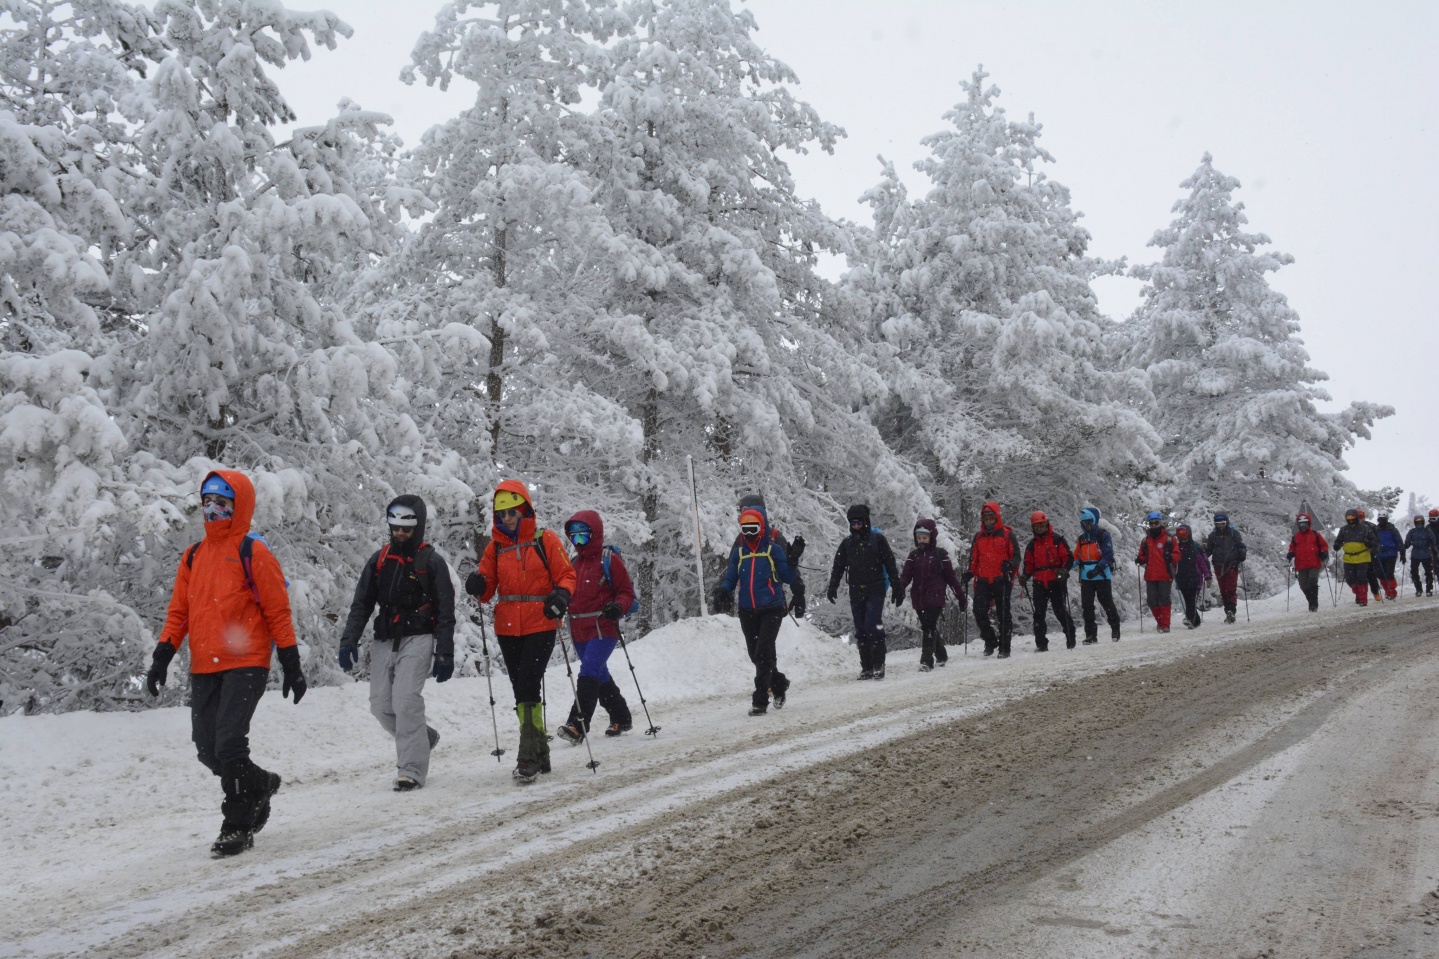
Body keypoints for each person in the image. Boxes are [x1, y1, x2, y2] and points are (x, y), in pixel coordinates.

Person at [145, 470, 305, 858]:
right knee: (207, 749)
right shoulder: (194, 556)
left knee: (230, 744)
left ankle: (236, 824)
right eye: (207, 503)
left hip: (246, 661)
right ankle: (260, 784)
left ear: (240, 507)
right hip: (205, 663)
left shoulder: (254, 551)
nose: (213, 510)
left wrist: (290, 660)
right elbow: (178, 611)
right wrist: (162, 656)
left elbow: (277, 611)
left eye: (223, 503)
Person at [338, 496, 455, 791]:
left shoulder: (432, 562)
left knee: (405, 701)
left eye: (407, 529)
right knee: (380, 705)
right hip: (385, 638)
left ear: (419, 527)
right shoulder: (379, 560)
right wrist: (348, 639)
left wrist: (444, 652)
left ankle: (411, 770)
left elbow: (445, 613)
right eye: (395, 528)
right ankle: (422, 738)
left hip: (419, 636)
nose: (400, 534)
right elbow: (361, 604)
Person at [466, 481, 576, 784]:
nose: (508, 519)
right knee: (521, 689)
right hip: (507, 627)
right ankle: (541, 752)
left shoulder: (546, 540)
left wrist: (562, 596)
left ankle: (527, 757)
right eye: (502, 514)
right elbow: (487, 587)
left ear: (525, 510)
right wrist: (478, 584)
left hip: (541, 621)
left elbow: (567, 574)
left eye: (512, 512)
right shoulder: (496, 547)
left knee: (528, 682)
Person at [714, 507, 804, 714]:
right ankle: (779, 684)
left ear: (761, 528)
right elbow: (730, 578)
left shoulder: (773, 550)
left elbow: (788, 577)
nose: (749, 534)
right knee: (756, 655)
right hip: (747, 610)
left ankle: (760, 700)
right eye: (745, 529)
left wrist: (792, 562)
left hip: (771, 607)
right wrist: (723, 591)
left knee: (763, 652)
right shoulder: (739, 553)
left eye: (753, 528)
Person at [557, 510, 635, 742]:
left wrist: (617, 607)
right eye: (574, 537)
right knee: (599, 675)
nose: (578, 541)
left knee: (589, 672)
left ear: (596, 534)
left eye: (584, 536)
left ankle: (577, 725)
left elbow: (627, 593)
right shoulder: (573, 563)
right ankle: (621, 716)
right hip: (579, 631)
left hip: (603, 629)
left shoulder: (609, 560)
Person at [827, 504, 900, 679]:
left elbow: (890, 563)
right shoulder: (847, 544)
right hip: (855, 590)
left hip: (875, 588)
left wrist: (897, 586)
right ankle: (866, 666)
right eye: (853, 522)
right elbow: (838, 566)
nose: (856, 525)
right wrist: (832, 586)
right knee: (860, 628)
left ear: (866, 521)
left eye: (859, 521)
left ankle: (878, 664)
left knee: (873, 623)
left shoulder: (878, 540)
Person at [896, 518, 967, 670]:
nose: (921, 541)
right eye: (919, 538)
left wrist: (961, 596)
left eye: (925, 537)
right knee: (929, 627)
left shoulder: (940, 554)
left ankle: (926, 661)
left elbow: (951, 578)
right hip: (918, 598)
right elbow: (906, 576)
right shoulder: (913, 555)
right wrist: (899, 588)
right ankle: (941, 654)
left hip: (936, 598)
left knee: (928, 627)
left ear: (931, 537)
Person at [963, 502, 1021, 658]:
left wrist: (1009, 565)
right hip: (982, 579)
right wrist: (970, 572)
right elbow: (974, 559)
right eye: (985, 518)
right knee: (979, 611)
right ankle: (990, 641)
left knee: (1003, 614)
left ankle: (1004, 647)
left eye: (991, 517)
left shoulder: (1007, 535)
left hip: (1001, 579)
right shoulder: (978, 537)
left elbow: (1016, 556)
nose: (988, 520)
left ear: (996, 518)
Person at [1021, 511, 1076, 651]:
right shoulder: (1031, 545)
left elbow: (1068, 558)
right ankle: (1041, 644)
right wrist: (1025, 576)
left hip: (1056, 581)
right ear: (1033, 528)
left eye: (1041, 525)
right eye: (1036, 526)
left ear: (1047, 524)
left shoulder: (1057, 540)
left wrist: (1064, 571)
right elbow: (1028, 564)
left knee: (1060, 611)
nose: (1039, 528)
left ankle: (1071, 637)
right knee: (1038, 613)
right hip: (1039, 582)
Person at [1074, 507, 1121, 643]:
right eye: (1084, 523)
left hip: (1102, 576)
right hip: (1086, 577)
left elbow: (1108, 554)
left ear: (1094, 521)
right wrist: (1065, 567)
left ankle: (1115, 628)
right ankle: (1091, 635)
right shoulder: (1081, 539)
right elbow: (1076, 557)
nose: (1086, 525)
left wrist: (1098, 569)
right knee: (1087, 605)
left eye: (1089, 522)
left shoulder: (1102, 535)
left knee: (1106, 603)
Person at [1136, 511, 1177, 633]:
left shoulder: (1170, 539)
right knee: (1152, 601)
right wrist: (1139, 559)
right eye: (1151, 523)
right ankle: (1160, 622)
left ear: (1160, 523)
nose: (1154, 525)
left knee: (1164, 599)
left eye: (1156, 523)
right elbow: (1143, 556)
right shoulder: (1145, 540)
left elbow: (1177, 554)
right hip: (1150, 575)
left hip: (1165, 574)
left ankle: (1165, 625)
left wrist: (1172, 557)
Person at [1202, 512, 1247, 623]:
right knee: (1223, 590)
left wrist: (1242, 553)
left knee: (1231, 588)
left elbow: (1241, 546)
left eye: (1222, 523)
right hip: (1218, 565)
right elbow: (1209, 549)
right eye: (1218, 524)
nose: (1220, 526)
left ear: (1226, 522)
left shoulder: (1233, 533)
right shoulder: (1213, 536)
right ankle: (1228, 611)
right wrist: (1202, 556)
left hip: (1231, 564)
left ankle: (1231, 610)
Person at [1332, 508, 1379, 606]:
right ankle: (1358, 593)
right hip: (1349, 558)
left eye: (1352, 517)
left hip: (1363, 556)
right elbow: (1339, 540)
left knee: (1361, 578)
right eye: (1348, 517)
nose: (1350, 519)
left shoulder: (1365, 528)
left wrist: (1369, 543)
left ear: (1356, 517)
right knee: (1350, 579)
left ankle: (1363, 599)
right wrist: (1337, 545)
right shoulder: (1344, 530)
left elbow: (1374, 541)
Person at [1287, 513, 1330, 612]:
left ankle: (1313, 604)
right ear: (1298, 525)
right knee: (1303, 585)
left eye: (1305, 524)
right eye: (1301, 524)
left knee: (1312, 582)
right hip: (1301, 565)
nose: (1303, 526)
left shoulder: (1315, 535)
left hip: (1314, 563)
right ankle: (1311, 600)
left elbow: (1324, 545)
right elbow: (1292, 548)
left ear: (1309, 524)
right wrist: (1290, 553)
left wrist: (1324, 552)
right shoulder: (1296, 537)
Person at [1173, 524, 1213, 628]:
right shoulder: (1176, 547)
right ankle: (1196, 621)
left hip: (1195, 578)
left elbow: (1203, 563)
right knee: (1188, 600)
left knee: (1191, 599)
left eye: (1184, 534)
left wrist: (1208, 576)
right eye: (1180, 534)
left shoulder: (1195, 547)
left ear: (1189, 533)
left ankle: (1189, 618)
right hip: (1181, 579)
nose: (1182, 536)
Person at [1374, 513, 1405, 600]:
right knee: (1380, 574)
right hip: (1379, 554)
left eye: (1383, 519)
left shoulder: (1392, 529)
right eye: (1380, 519)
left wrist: (1402, 553)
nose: (1381, 521)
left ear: (1386, 519)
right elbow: (1373, 541)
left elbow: (1399, 541)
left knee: (1389, 573)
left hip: (1391, 554)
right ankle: (1388, 591)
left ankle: (1391, 592)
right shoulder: (1376, 530)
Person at [1404, 516, 1436, 597]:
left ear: (1423, 522)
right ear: (1415, 523)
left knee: (1428, 572)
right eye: (1417, 522)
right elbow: (1407, 542)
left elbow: (1433, 540)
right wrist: (1405, 546)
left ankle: (1429, 589)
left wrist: (1432, 544)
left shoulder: (1426, 531)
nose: (1419, 524)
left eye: (1421, 522)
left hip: (1426, 554)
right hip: (1416, 554)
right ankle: (1418, 589)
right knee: (1414, 572)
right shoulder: (1412, 532)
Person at [1356, 508, 1384, 602]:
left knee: (1371, 574)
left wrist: (1374, 548)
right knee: (1359, 576)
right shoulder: (1351, 529)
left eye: (1362, 518)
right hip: (1357, 555)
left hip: (1370, 553)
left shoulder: (1371, 526)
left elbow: (1377, 540)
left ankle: (1375, 591)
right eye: (1359, 518)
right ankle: (1360, 595)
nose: (1361, 520)